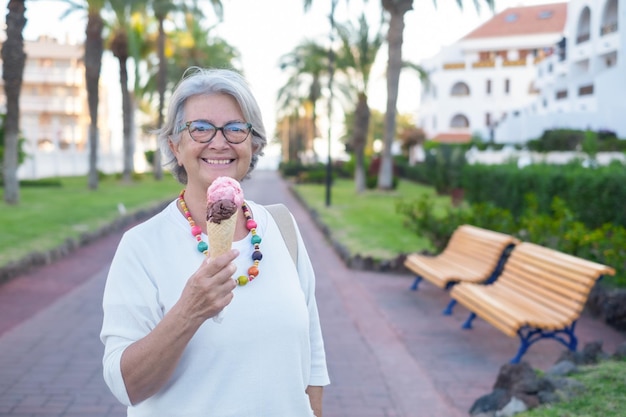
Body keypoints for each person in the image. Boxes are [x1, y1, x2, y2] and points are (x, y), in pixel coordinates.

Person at [100, 67, 330, 416]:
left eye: (236, 128)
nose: (219, 142)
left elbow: (312, 358)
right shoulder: (142, 246)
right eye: (201, 128)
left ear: (253, 144)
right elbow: (126, 386)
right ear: (176, 147)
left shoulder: (283, 227)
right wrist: (188, 312)